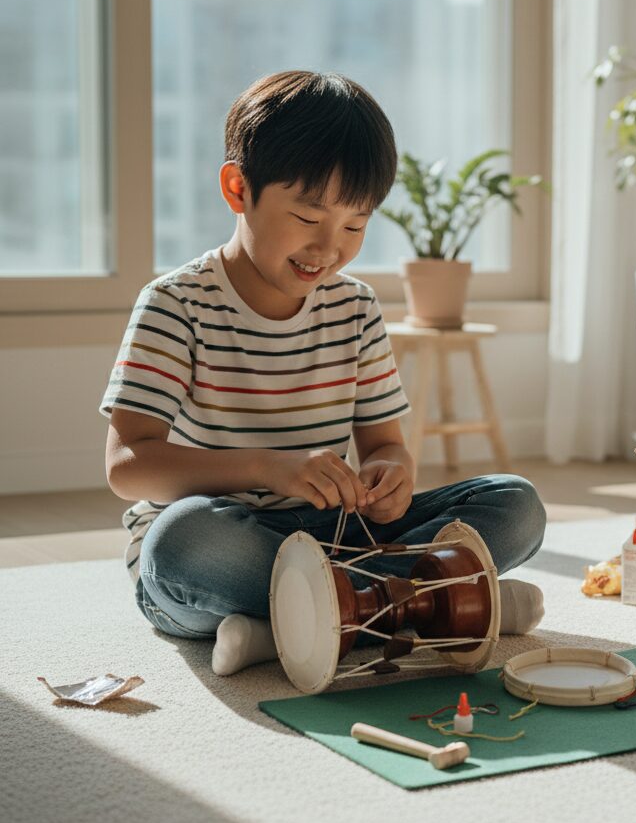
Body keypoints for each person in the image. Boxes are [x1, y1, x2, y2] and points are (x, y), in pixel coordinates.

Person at [100, 70, 546, 676]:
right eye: (309, 217)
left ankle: (304, 618)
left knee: (515, 504)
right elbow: (128, 465)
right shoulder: (176, 304)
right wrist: (266, 468)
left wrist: (391, 474)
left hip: (337, 534)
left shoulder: (355, 307)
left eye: (356, 225)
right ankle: (429, 600)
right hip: (232, 532)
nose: (329, 247)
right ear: (237, 188)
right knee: (183, 546)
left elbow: (385, 445)